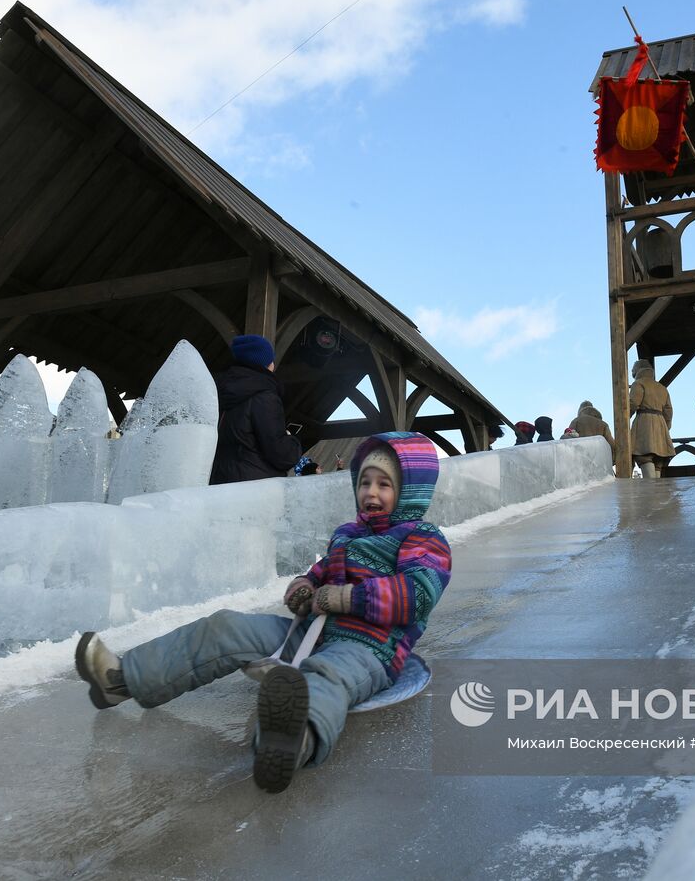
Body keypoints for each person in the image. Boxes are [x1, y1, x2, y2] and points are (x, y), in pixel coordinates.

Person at [74, 432, 452, 794]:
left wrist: (344, 599)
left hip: (372, 650)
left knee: (325, 675)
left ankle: (292, 740)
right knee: (226, 627)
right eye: (365, 481)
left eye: (384, 484)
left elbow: (418, 594)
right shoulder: (347, 534)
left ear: (410, 491)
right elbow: (319, 574)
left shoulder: (422, 538)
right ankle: (122, 680)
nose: (370, 492)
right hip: (314, 634)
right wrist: (303, 588)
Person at [211, 335, 303, 484]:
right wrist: (292, 441)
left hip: (219, 482)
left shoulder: (215, 390)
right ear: (266, 363)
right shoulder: (264, 396)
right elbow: (280, 454)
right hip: (255, 487)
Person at [629, 361, 675, 477]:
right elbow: (668, 411)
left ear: (638, 370)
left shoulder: (638, 384)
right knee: (658, 459)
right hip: (660, 424)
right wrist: (666, 427)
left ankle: (650, 488)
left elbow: (633, 403)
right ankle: (656, 490)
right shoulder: (662, 388)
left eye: (633, 369)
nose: (632, 372)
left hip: (644, 422)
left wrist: (625, 418)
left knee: (643, 454)